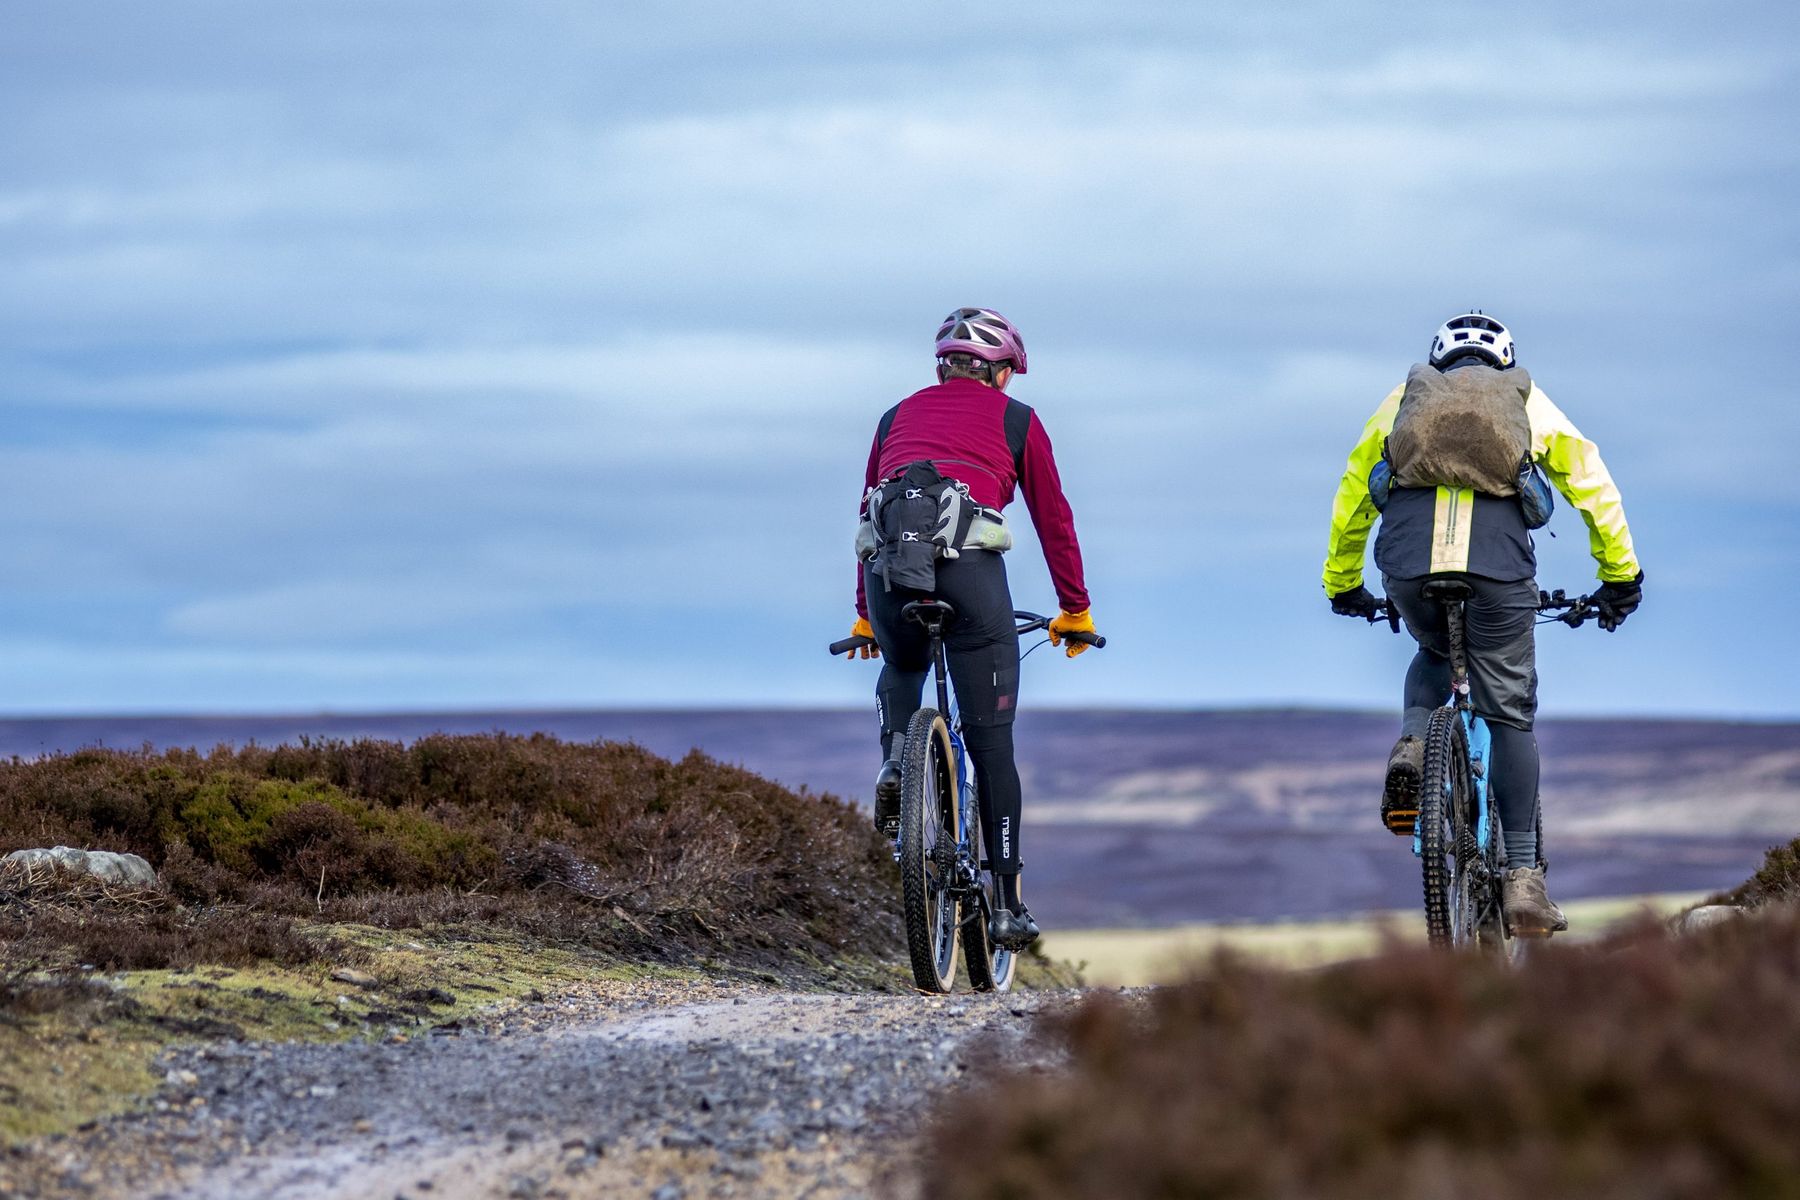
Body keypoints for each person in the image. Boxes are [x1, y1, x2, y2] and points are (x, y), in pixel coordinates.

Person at [1321, 311, 1643, 935]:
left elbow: (1356, 490)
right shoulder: (1525, 398)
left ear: (1439, 358)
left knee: (1435, 649)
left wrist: (1342, 583)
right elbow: (1591, 483)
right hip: (1497, 567)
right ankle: (1523, 879)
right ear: (1504, 358)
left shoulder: (1405, 400)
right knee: (1508, 713)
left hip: (1409, 561)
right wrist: (1620, 575)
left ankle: (1414, 745)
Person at [840, 307, 1097, 950]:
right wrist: (1075, 609)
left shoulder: (893, 417)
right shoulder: (1018, 420)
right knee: (992, 745)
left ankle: (897, 759)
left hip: (891, 571)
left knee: (901, 663)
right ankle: (1007, 904)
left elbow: (869, 520)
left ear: (942, 366)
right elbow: (1052, 518)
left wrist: (864, 613)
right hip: (971, 572)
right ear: (1002, 372)